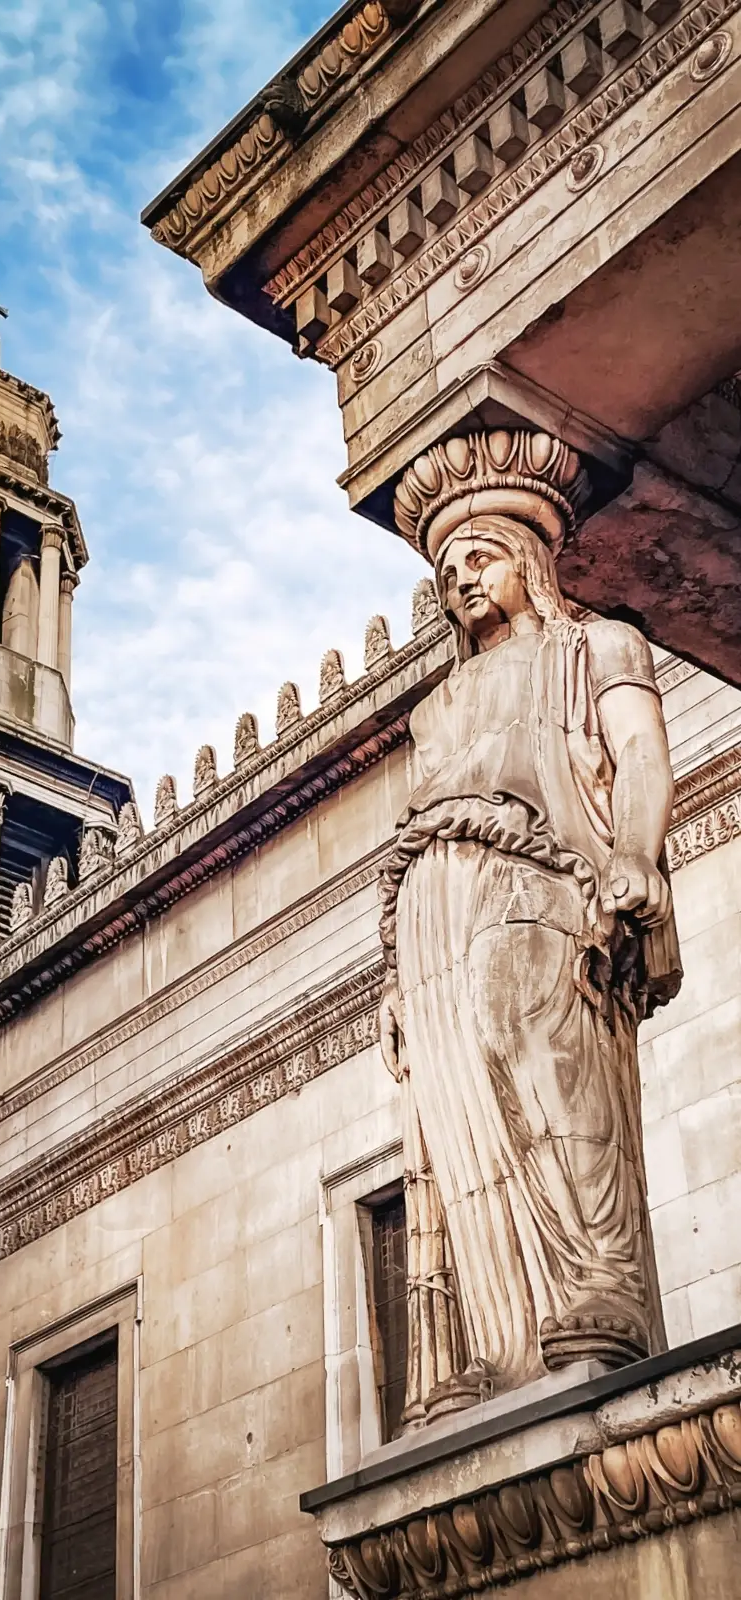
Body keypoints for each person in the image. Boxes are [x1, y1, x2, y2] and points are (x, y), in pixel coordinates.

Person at [379, 505, 681, 1407]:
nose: (464, 578)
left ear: (527, 565)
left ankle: (605, 1275)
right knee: (452, 1108)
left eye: (481, 558)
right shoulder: (437, 710)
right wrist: (397, 977)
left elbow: (638, 752)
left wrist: (634, 848)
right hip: (433, 903)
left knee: (536, 1040)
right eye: (448, 573)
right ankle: (494, 1341)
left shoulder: (600, 647)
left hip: (538, 872)